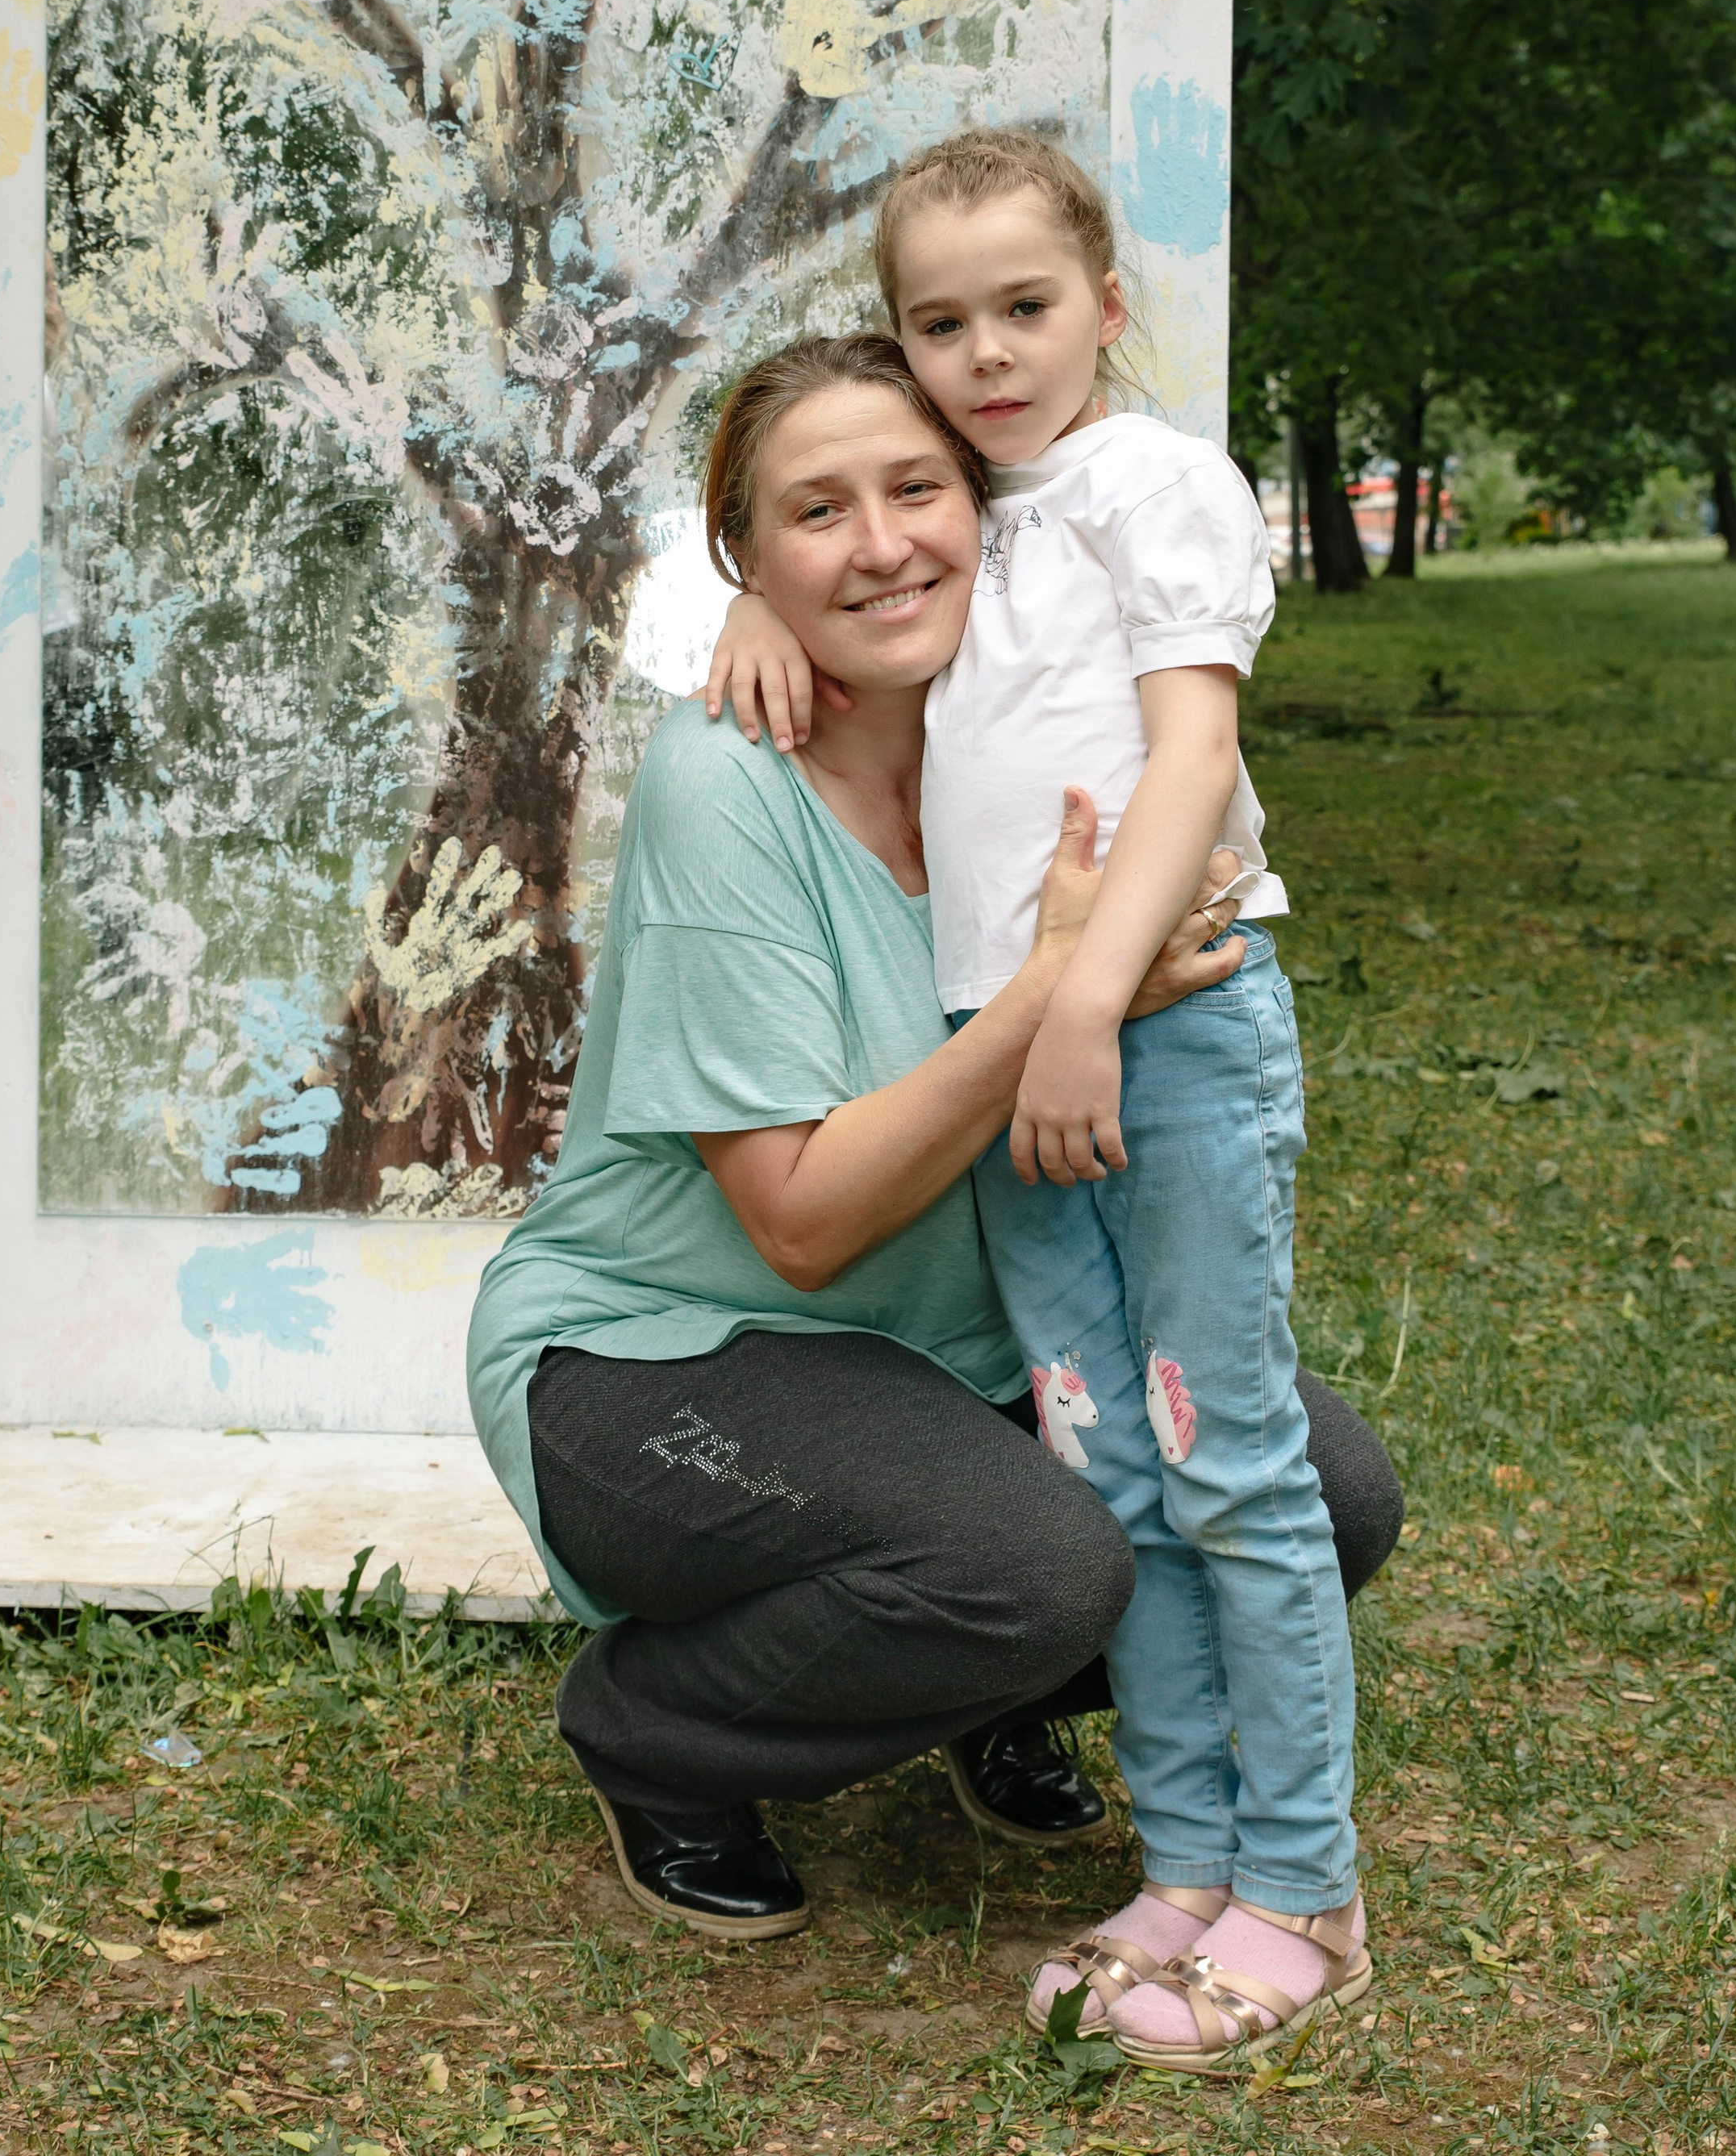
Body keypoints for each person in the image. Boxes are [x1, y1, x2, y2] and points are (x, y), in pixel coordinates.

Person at [469, 330, 1402, 1957]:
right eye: (814, 514)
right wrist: (1045, 993)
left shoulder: (1049, 725)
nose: (882, 540)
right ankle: (656, 1736)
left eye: (916, 490)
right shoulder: (726, 776)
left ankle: (973, 1697)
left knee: (1321, 1493)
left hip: (944, 1354)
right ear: (743, 559)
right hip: (666, 1349)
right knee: (1033, 1568)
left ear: (987, 510)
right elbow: (802, 1225)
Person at [707, 133, 1371, 2071]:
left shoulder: (1154, 487)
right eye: (940, 322)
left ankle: (1305, 1888)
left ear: (1103, 299)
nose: (985, 351)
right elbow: (837, 574)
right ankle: (1184, 1864)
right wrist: (743, 599)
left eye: (1023, 305)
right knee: (1106, 1462)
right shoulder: (959, 509)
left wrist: (1079, 1001)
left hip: (1155, 1026)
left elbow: (1189, 754)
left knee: (1222, 1455)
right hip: (1018, 1056)